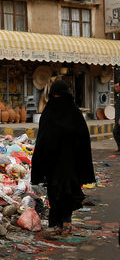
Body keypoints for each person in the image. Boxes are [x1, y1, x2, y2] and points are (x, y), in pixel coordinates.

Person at [31, 80, 95, 235]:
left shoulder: (55, 111)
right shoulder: (70, 112)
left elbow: (43, 140)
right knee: (61, 194)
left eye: (58, 95)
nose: (57, 97)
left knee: (62, 193)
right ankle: (61, 224)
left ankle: (63, 224)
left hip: (62, 165)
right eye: (55, 95)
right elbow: (43, 139)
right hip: (61, 165)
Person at [112, 82, 120, 152]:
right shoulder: (117, 96)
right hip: (117, 119)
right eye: (115, 87)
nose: (115, 89)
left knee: (115, 132)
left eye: (117, 87)